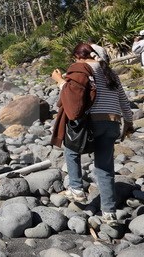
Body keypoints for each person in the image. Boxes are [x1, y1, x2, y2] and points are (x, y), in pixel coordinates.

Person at [51, 43, 134, 226]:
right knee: (105, 168)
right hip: (112, 123)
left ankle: (76, 188)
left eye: (75, 57)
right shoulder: (110, 73)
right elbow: (123, 100)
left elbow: (73, 96)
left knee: (71, 149)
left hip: (92, 123)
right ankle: (109, 213)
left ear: (81, 56)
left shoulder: (81, 68)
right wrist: (128, 122)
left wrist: (58, 80)